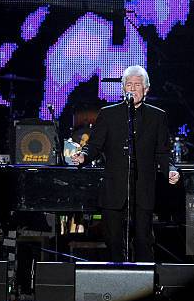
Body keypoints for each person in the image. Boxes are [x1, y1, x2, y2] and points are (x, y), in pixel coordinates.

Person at [72, 65, 180, 261]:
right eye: (129, 84)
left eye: (137, 85)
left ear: (146, 89)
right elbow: (94, 145)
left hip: (143, 190)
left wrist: (170, 170)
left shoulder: (157, 116)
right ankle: (117, 286)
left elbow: (163, 153)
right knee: (114, 242)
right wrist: (83, 156)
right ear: (123, 88)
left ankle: (145, 287)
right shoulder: (108, 114)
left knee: (143, 241)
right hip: (114, 189)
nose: (132, 88)